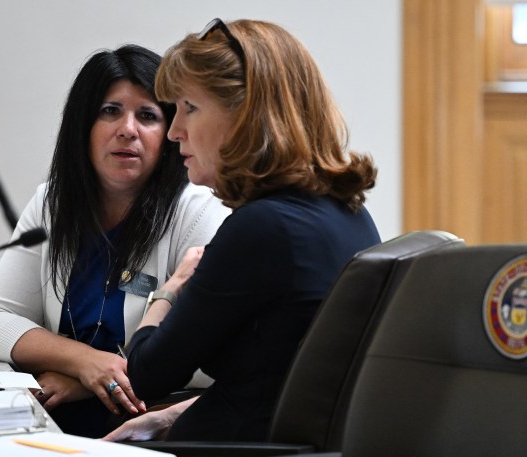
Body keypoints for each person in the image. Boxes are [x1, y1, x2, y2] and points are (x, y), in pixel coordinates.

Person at [104, 19, 381, 443]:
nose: (175, 130)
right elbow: (281, 381)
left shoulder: (261, 229)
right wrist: (172, 415)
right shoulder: (349, 214)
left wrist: (169, 290)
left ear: (248, 115)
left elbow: (143, 375)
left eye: (189, 108)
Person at [0, 44, 230, 438]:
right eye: (110, 111)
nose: (127, 128)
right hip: (52, 421)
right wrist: (83, 362)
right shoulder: (51, 203)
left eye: (147, 115)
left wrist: (95, 378)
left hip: (149, 425)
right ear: (83, 126)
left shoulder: (197, 211)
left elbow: (206, 358)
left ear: (169, 133)